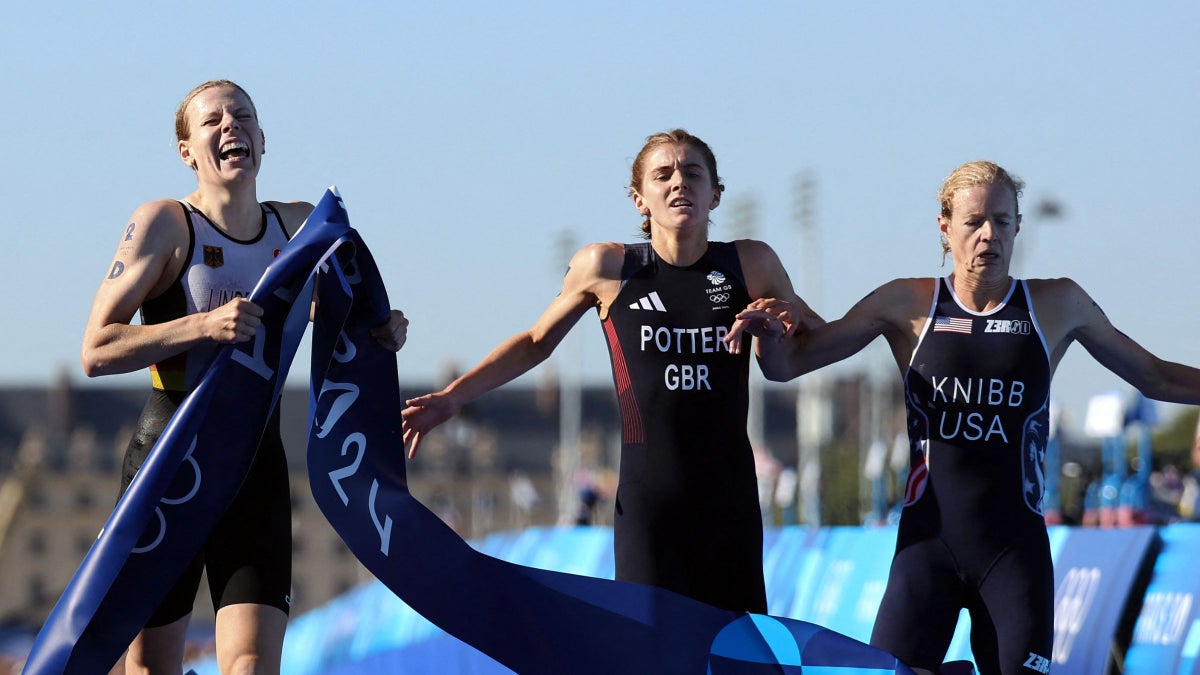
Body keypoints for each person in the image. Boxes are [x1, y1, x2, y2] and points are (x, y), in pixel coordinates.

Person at [725, 159, 1200, 674]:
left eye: (1002, 220)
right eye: (974, 222)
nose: (988, 235)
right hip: (928, 548)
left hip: (1014, 552)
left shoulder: (1058, 303)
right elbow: (789, 365)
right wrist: (768, 340)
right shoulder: (906, 301)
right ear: (945, 227)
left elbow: (1155, 377)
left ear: (1018, 225)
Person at [401, 129, 820, 614]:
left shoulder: (752, 263)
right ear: (640, 199)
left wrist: (795, 323)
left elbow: (816, 337)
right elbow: (537, 342)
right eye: (663, 174)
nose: (678, 182)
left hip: (730, 505)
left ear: (715, 194)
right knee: (652, 658)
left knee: (740, 660)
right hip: (648, 507)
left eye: (693, 172)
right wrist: (455, 396)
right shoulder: (608, 267)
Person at [80, 80, 408, 675]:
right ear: (187, 150)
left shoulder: (302, 228)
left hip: (255, 462)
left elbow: (348, 310)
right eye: (213, 120)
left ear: (262, 140)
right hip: (171, 460)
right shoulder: (165, 224)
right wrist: (203, 326)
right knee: (153, 666)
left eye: (244, 117)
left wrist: (382, 327)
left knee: (253, 663)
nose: (231, 126)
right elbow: (97, 348)